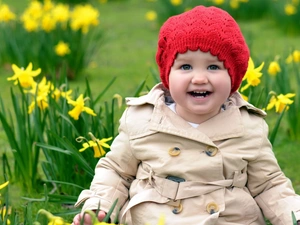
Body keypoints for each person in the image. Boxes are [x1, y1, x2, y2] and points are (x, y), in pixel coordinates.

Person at [72, 5, 300, 225]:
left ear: (233, 77)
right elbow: (116, 171)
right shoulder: (143, 119)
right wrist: (99, 207)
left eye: (213, 67)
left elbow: (269, 184)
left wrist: (295, 215)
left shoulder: (248, 126)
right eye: (185, 67)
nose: (199, 78)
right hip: (156, 218)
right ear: (167, 75)